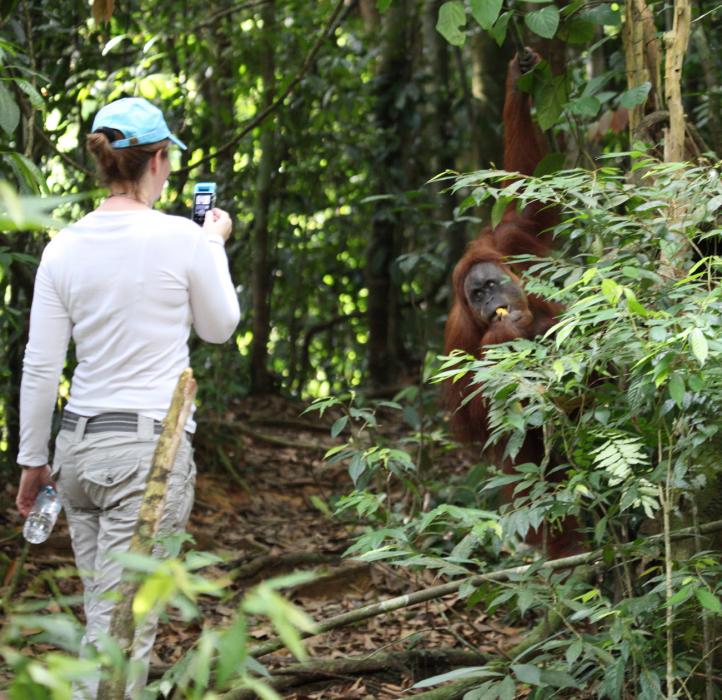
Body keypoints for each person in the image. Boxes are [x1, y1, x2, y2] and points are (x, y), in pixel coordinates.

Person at [15, 96, 240, 698]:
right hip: (146, 459)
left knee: (104, 618)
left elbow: (40, 364)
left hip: (79, 453)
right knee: (126, 631)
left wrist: (32, 461)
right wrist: (213, 243)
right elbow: (219, 327)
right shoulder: (182, 238)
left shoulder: (63, 247)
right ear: (158, 161)